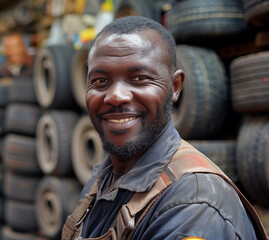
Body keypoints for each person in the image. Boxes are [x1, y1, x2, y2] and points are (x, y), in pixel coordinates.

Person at [62, 16, 267, 240]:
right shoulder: (103, 178)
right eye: (100, 81)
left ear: (175, 86)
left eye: (139, 78)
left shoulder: (195, 209)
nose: (115, 96)